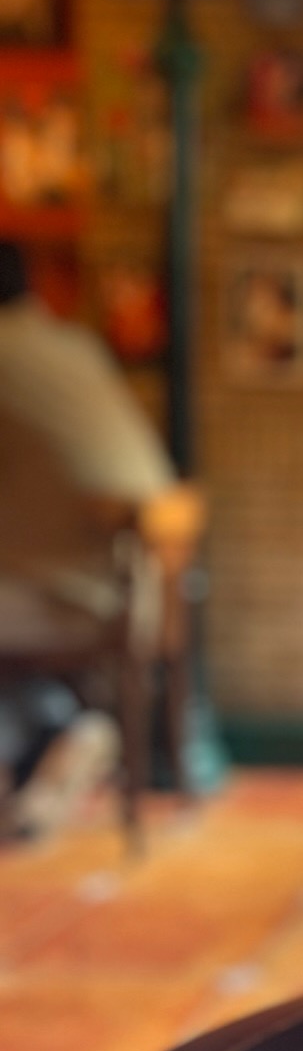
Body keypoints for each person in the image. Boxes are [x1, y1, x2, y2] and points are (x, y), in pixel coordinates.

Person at [0, 241, 181, 832]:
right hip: (144, 584)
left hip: (75, 597)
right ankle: (57, 732)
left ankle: (50, 732)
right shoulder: (75, 345)